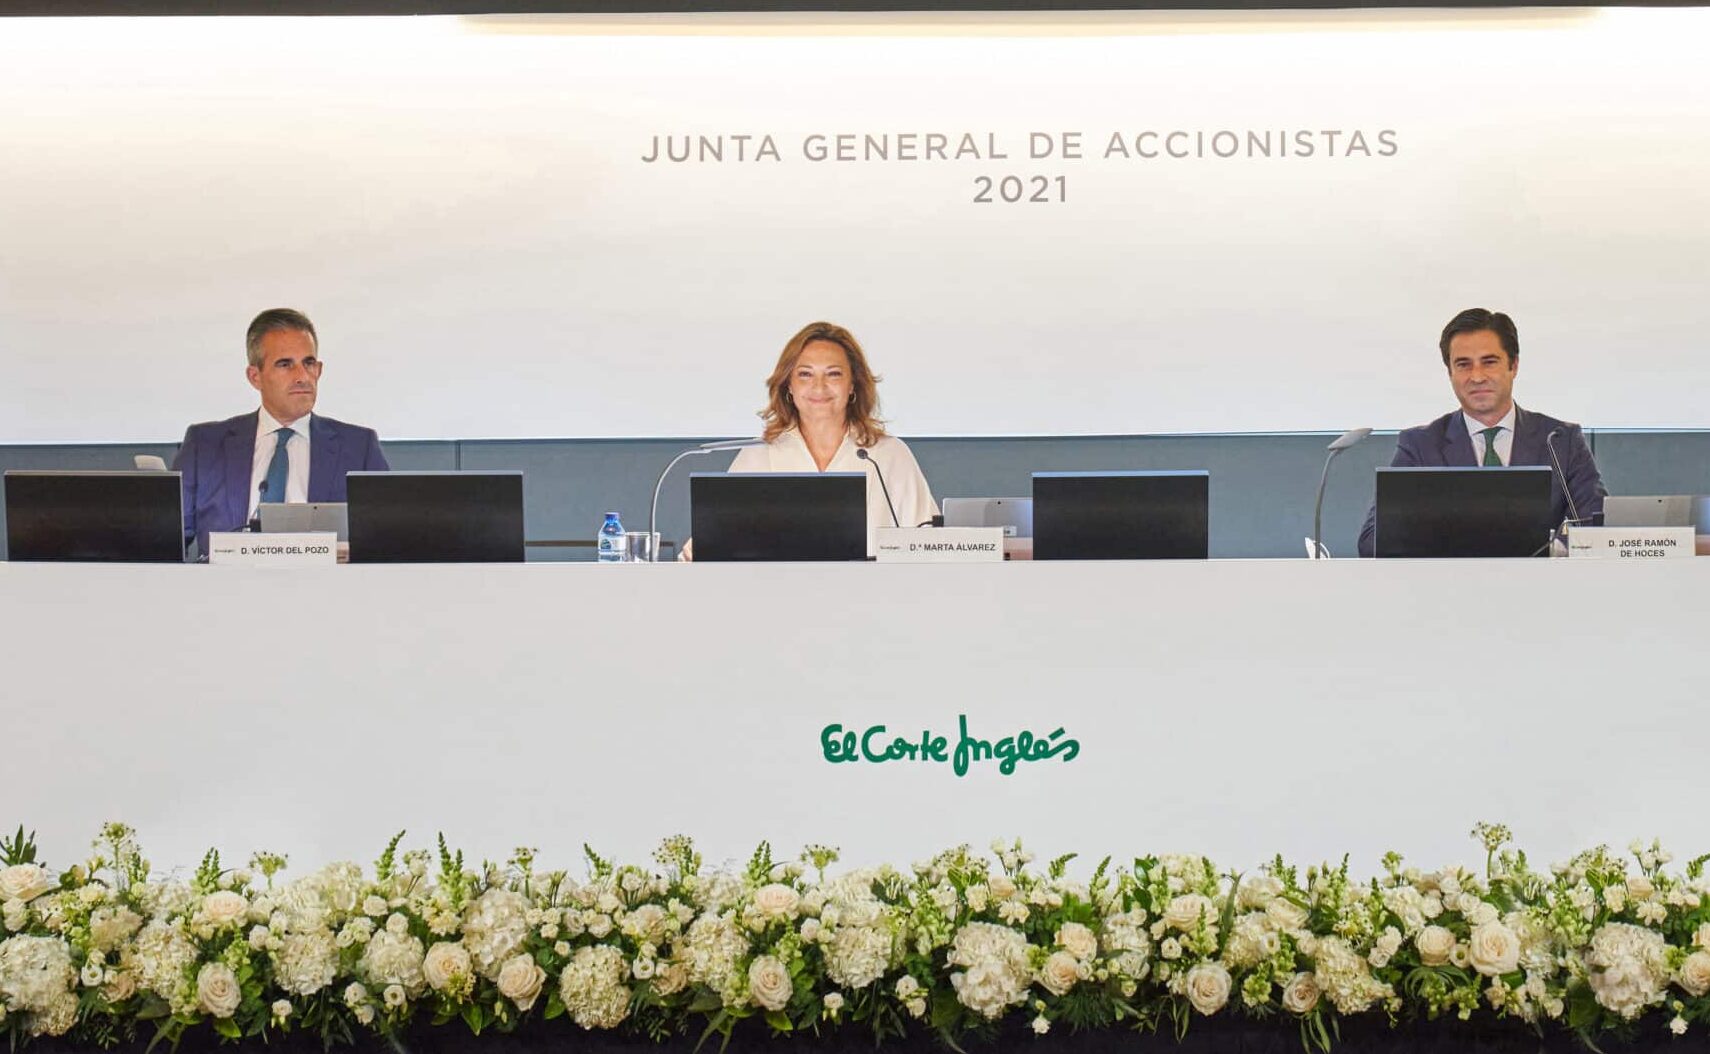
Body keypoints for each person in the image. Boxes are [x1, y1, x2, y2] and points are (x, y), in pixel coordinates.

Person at [1357, 308, 1605, 557]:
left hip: (1540, 590)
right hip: (1449, 590)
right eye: (1463, 365)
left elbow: (1597, 526)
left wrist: (1548, 550)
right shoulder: (1420, 446)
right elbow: (1371, 542)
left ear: (1514, 365)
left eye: (1489, 362)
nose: (1477, 377)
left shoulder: (1562, 440)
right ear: (1450, 373)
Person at [172, 308, 389, 557]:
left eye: (309, 364)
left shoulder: (359, 448)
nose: (302, 376)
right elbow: (166, 543)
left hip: (325, 590)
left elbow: (385, 543)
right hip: (226, 590)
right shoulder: (205, 446)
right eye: (285, 365)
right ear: (255, 376)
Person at [715, 321, 937, 557]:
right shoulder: (758, 454)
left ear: (852, 385)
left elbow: (929, 544)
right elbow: (718, 544)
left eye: (833, 374)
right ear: (788, 385)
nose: (819, 387)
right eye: (805, 374)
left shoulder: (889, 454)